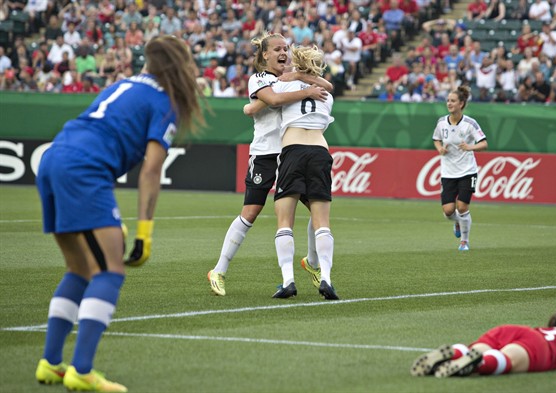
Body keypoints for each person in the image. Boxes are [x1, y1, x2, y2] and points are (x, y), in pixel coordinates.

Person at [34, 35, 205, 392]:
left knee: (80, 269)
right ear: (177, 65)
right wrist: (144, 231)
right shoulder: (165, 101)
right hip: (84, 168)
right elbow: (151, 169)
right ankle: (81, 370)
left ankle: (50, 364)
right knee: (110, 273)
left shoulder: (125, 83)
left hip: (54, 158)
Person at [207, 33, 332, 297]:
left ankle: (312, 263)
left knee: (317, 210)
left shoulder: (292, 78)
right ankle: (218, 269)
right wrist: (304, 89)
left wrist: (299, 78)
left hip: (294, 152)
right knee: (250, 212)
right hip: (265, 154)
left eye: (286, 48)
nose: (283, 53)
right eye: (277, 49)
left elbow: (325, 85)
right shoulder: (260, 79)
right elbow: (273, 100)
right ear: (265, 55)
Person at [244, 44, 338, 300]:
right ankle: (327, 278)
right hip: (320, 152)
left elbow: (255, 107)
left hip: (293, 151)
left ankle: (288, 281)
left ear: (296, 63)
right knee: (322, 223)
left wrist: (250, 107)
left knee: (285, 221)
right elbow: (325, 86)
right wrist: (303, 78)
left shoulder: (282, 86)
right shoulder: (326, 95)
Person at [411, 308, 556, 377]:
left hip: (513, 329)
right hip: (536, 345)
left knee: (477, 349)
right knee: (506, 360)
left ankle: (457, 353)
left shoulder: (543, 329)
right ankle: (477, 364)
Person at [432, 86, 488, 251]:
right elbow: (436, 139)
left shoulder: (470, 124)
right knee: (449, 211)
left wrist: (470, 147)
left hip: (467, 171)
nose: (449, 103)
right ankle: (458, 221)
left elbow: (484, 144)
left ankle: (464, 241)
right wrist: (439, 148)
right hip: (448, 172)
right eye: (448, 100)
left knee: (462, 207)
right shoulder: (442, 122)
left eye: (453, 101)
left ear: (461, 104)